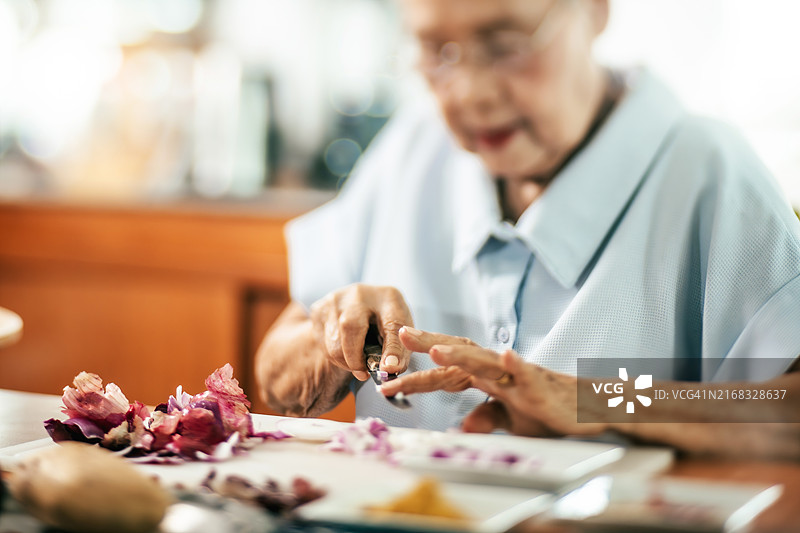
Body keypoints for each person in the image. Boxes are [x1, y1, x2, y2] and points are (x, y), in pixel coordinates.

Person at [255, 0, 800, 455]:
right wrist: (333, 337)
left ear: (595, 10)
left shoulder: (710, 172)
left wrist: (593, 398)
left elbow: (788, 409)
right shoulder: (411, 146)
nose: (469, 93)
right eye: (435, 51)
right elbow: (276, 372)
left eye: (505, 43)